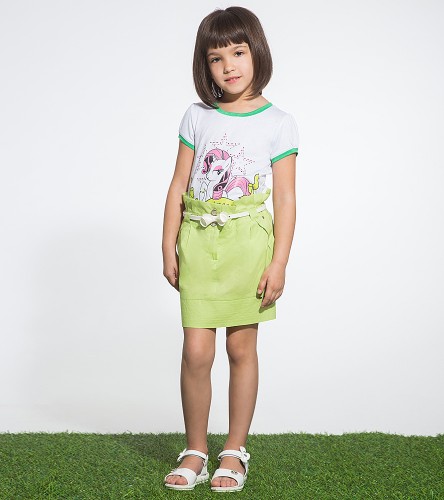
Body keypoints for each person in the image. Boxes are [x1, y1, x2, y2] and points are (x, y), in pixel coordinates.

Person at [162, 5, 299, 493]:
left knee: (241, 347)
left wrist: (279, 262)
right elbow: (178, 184)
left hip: (248, 245)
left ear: (256, 51)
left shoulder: (278, 122)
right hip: (199, 241)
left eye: (238, 52)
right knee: (196, 351)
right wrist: (168, 245)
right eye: (216, 58)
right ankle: (195, 448)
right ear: (205, 65)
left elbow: (285, 198)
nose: (229, 66)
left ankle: (234, 450)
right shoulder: (197, 116)